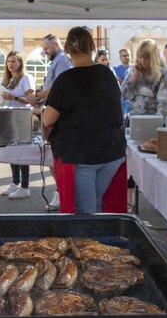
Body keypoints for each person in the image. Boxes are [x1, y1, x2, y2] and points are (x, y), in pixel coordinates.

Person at [43, 27, 126, 213]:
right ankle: (100, 240)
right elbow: (117, 111)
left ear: (67, 49)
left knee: (85, 214)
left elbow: (48, 120)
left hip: (81, 155)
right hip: (112, 151)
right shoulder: (108, 74)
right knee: (98, 205)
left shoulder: (65, 80)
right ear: (92, 47)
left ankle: (90, 241)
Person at [25, 33, 72, 210]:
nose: (45, 52)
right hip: (52, 114)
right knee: (54, 159)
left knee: (58, 158)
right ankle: (61, 191)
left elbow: (60, 86)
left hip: (58, 118)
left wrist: (37, 95)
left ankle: (63, 193)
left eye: (46, 48)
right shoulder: (57, 61)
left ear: (56, 44)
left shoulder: (62, 61)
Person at [0, 51, 35, 199]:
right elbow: (2, 100)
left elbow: (31, 99)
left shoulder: (26, 78)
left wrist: (13, 96)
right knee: (12, 153)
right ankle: (15, 183)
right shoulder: (7, 80)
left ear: (20, 63)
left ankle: (25, 186)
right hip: (8, 118)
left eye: (14, 61)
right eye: (8, 61)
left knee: (22, 153)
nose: (11, 64)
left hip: (22, 119)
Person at [120, 41, 167, 117]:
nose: (142, 61)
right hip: (134, 118)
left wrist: (157, 119)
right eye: (140, 57)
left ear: (154, 58)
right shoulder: (132, 70)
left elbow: (165, 102)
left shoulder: (163, 73)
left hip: (155, 119)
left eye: (146, 58)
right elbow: (124, 94)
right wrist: (134, 77)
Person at [112, 48, 132, 117]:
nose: (127, 57)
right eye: (124, 56)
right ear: (120, 57)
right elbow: (119, 82)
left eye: (128, 55)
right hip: (121, 100)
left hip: (133, 100)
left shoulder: (135, 68)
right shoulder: (116, 69)